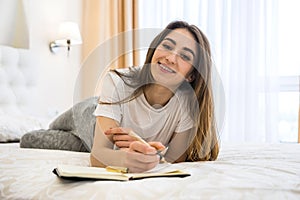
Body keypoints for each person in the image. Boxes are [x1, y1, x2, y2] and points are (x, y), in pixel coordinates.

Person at [90, 20, 219, 173]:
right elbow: (97, 156)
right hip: (89, 117)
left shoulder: (187, 102)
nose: (171, 58)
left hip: (112, 109)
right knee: (58, 138)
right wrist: (127, 159)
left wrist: (144, 147)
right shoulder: (116, 81)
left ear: (191, 76)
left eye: (184, 56)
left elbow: (175, 160)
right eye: (167, 46)